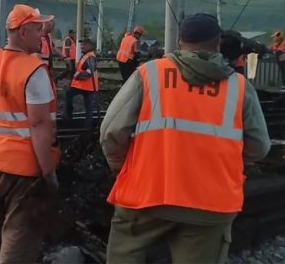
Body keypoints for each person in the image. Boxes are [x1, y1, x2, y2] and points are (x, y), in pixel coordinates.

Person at [101, 13, 271, 264]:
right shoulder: (240, 87)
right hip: (210, 202)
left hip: (146, 195)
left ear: (179, 42)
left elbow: (110, 133)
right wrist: (228, 164)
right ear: (217, 44)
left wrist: (123, 168)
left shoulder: (149, 74)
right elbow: (260, 147)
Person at [0, 4, 60, 264]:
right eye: (37, 29)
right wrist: (48, 171)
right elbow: (40, 124)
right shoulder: (33, 71)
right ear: (22, 32)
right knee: (20, 228)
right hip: (24, 165)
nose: (41, 34)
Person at [65, 38, 98, 129]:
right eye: (81, 44)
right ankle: (86, 127)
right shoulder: (86, 55)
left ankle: (71, 117)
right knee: (89, 107)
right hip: (86, 86)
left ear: (90, 45)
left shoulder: (90, 56)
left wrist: (76, 76)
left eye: (84, 44)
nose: (82, 46)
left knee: (69, 94)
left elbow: (89, 72)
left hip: (87, 86)